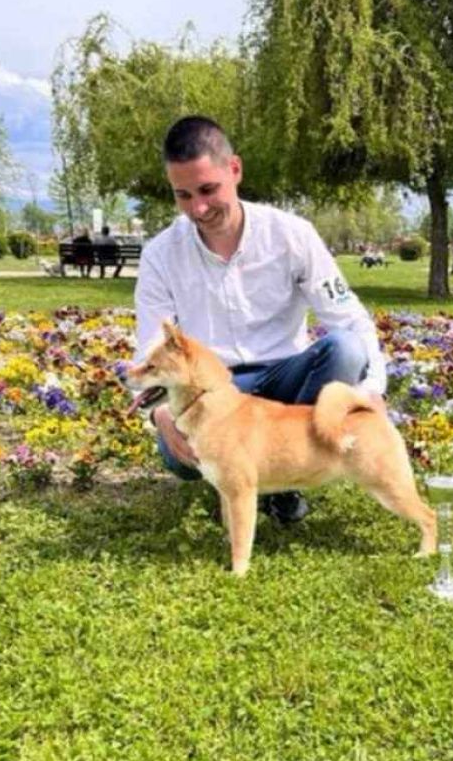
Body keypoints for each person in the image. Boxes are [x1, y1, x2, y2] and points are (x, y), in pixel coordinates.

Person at [131, 114, 387, 525]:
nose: (198, 208)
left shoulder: (292, 235)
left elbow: (351, 319)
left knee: (345, 349)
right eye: (183, 195)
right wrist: (159, 411)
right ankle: (240, 473)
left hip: (289, 382)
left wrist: (373, 390)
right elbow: (150, 345)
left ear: (235, 169)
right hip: (212, 390)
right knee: (177, 458)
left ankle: (278, 480)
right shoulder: (161, 254)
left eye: (208, 190)